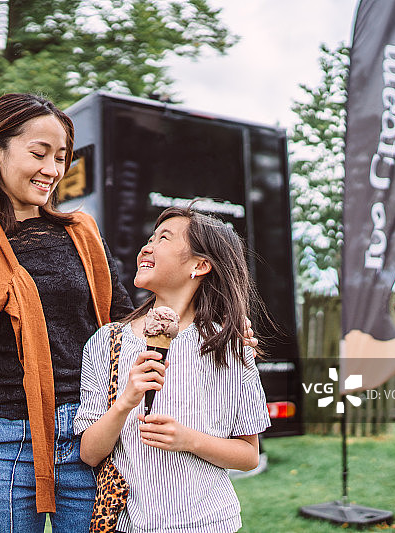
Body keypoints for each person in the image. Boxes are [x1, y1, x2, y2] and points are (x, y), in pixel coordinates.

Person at [0, 93, 134, 533]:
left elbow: (126, 327)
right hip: (5, 446)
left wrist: (214, 326)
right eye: (39, 153)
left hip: (88, 440)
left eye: (61, 157)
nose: (52, 170)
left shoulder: (83, 233)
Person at [75, 206, 270, 532]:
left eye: (163, 238)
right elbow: (90, 454)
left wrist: (188, 440)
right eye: (149, 238)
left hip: (209, 523)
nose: (146, 247)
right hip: (129, 525)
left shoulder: (231, 347)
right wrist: (126, 400)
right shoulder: (105, 343)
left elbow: (249, 454)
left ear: (200, 265)